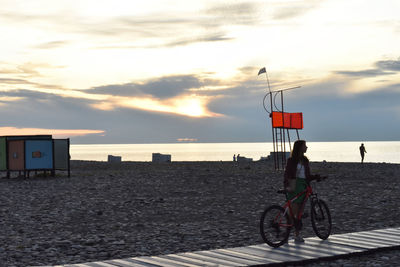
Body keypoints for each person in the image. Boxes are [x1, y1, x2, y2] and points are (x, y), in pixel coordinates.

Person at [283, 140, 320, 243]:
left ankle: (297, 235)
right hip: (295, 186)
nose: (306, 147)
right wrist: (287, 185)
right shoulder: (291, 160)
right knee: (293, 213)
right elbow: (287, 174)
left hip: (303, 186)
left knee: (299, 213)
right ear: (300, 147)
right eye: (305, 146)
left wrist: (316, 177)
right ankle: (286, 236)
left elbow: (307, 176)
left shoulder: (305, 160)